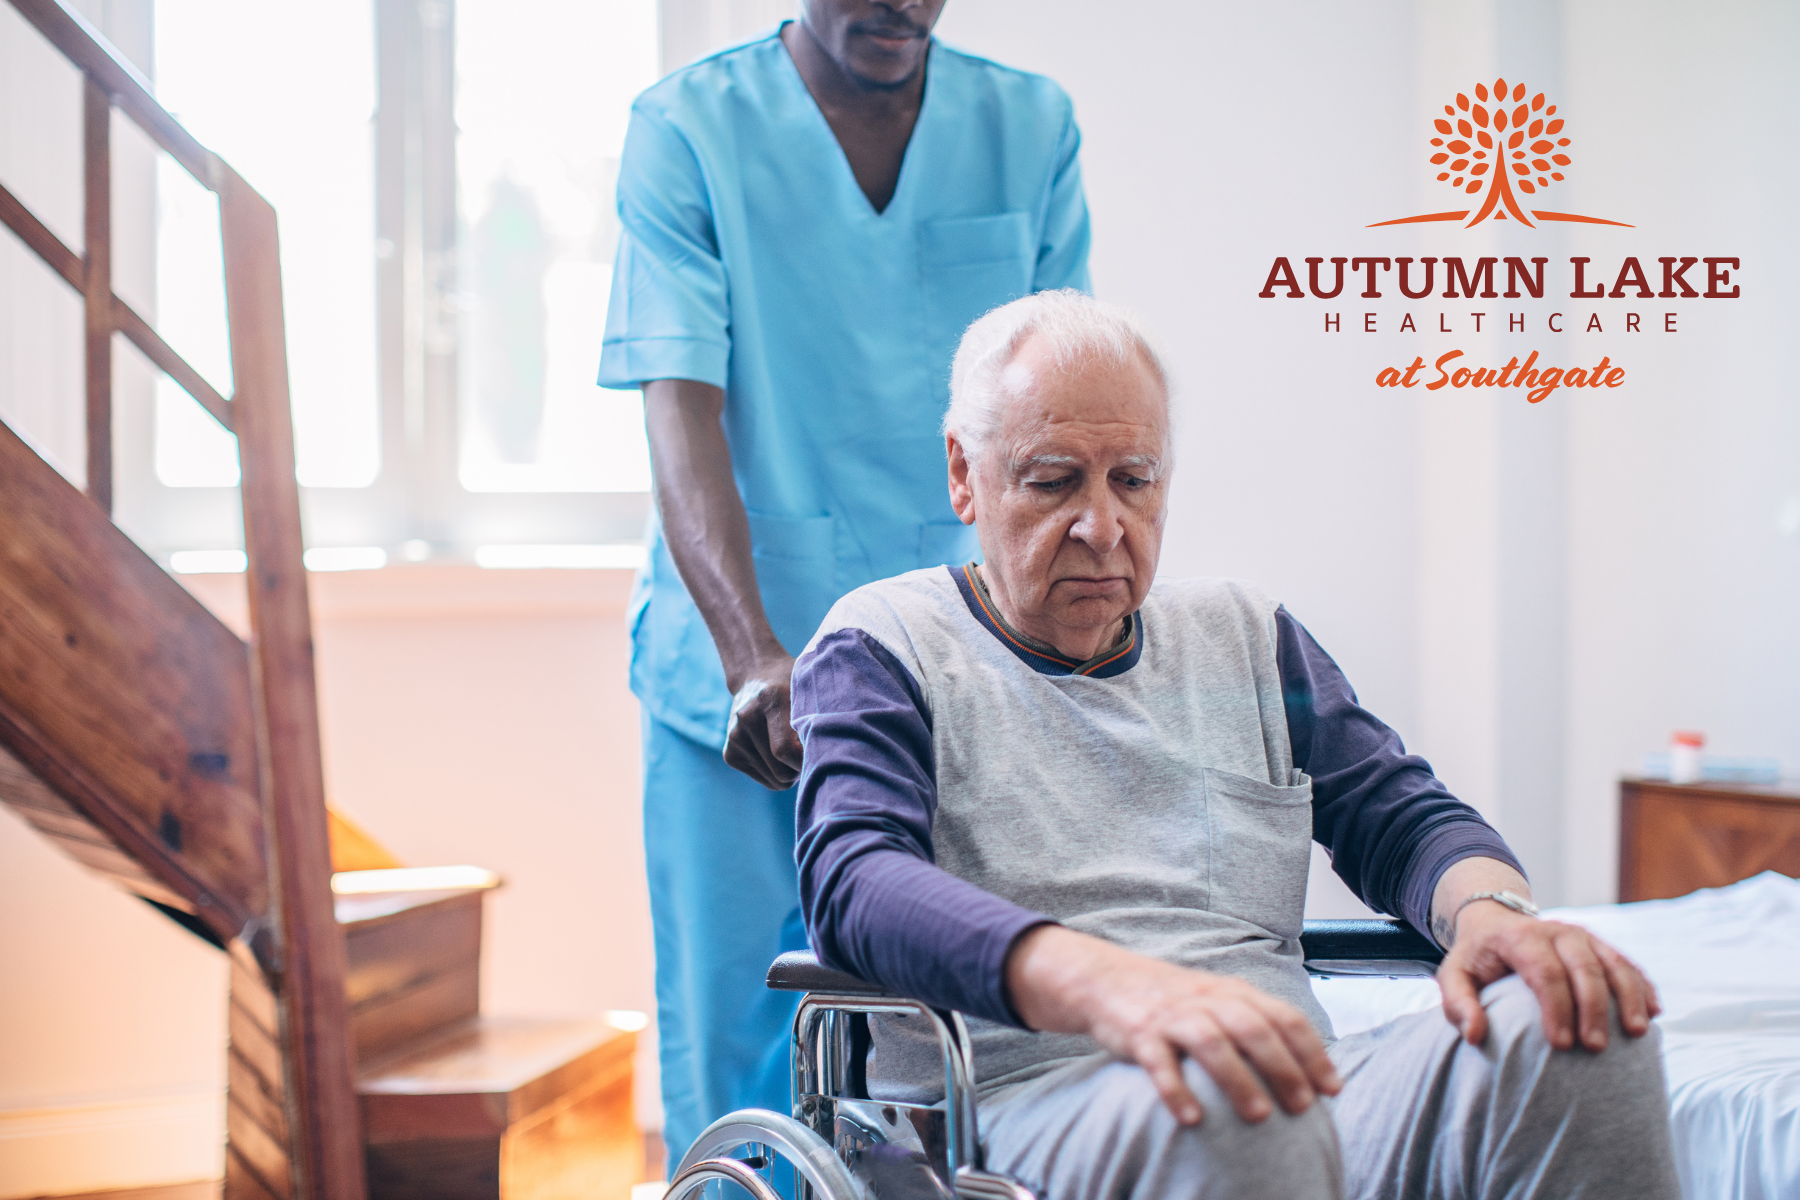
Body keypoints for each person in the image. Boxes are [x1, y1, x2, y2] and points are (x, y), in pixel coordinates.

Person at [790, 290, 1680, 1199]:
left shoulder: (1247, 636)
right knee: (1236, 1094)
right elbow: (854, 879)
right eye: (1054, 479)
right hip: (1017, 1106)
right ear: (964, 474)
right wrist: (1113, 986)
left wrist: (1495, 919)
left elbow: (1399, 816)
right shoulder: (885, 644)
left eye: (1133, 480)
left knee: (1579, 1029)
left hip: (1284, 1084)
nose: (1103, 526)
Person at [596, 0, 1090, 1157]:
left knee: (942, 1052)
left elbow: (1056, 399)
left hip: (951, 666)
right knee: (738, 1063)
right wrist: (751, 656)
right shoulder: (688, 130)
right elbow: (680, 405)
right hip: (734, 673)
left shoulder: (1029, 125)